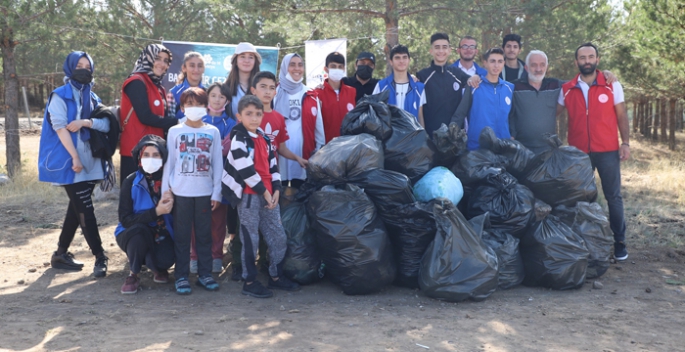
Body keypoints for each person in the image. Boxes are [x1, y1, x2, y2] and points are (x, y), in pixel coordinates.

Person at [38, 51, 110, 277]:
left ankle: (60, 254)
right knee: (85, 210)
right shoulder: (59, 95)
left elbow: (106, 125)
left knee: (77, 207)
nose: (83, 69)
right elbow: (60, 127)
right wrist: (75, 158)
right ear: (69, 67)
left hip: (92, 161)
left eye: (87, 66)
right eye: (78, 65)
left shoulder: (94, 97)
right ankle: (100, 257)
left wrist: (85, 122)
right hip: (70, 162)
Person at [557, 42, 630, 261]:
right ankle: (585, 242)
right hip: (578, 153)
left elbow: (622, 115)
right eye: (582, 58)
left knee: (613, 197)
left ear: (597, 60)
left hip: (607, 150)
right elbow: (552, 112)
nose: (587, 61)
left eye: (591, 57)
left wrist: (625, 142)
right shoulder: (567, 88)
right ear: (576, 62)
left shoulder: (611, 85)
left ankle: (619, 243)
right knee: (580, 199)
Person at [222, 95, 301, 298]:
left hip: (268, 196)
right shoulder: (238, 138)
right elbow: (246, 170)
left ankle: (276, 276)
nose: (255, 118)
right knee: (250, 239)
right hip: (250, 197)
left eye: (258, 114)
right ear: (239, 116)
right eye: (249, 114)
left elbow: (273, 166)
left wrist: (276, 190)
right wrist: (265, 193)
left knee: (278, 236)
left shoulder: (265, 139)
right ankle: (249, 281)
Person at [162, 87, 223, 295]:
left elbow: (218, 163)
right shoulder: (175, 131)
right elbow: (169, 163)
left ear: (205, 107)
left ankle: (205, 275)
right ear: (182, 108)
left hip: (205, 193)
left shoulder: (212, 132)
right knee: (182, 236)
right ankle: (181, 276)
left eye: (198, 104)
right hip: (181, 193)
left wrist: (217, 192)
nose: (194, 108)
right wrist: (166, 191)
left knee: (205, 235)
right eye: (189, 104)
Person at [115, 135, 176, 294]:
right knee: (139, 232)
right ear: (139, 157)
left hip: (161, 233)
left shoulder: (172, 181)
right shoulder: (131, 181)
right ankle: (133, 274)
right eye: (146, 155)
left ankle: (155, 266)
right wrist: (156, 212)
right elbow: (125, 219)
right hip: (132, 232)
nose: (151, 159)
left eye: (156, 155)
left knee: (165, 259)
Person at [188, 82, 236, 274]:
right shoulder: (196, 119)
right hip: (197, 179)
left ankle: (216, 255)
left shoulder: (231, 124)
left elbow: (226, 151)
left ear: (227, 101)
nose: (217, 99)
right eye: (213, 95)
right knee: (195, 220)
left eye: (221, 97)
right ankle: (194, 256)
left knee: (218, 221)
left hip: (221, 179)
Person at [120, 44, 177, 183]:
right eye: (158, 58)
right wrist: (177, 122)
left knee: (152, 199)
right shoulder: (136, 82)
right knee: (133, 197)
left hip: (155, 150)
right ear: (148, 58)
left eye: (166, 61)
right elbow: (145, 116)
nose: (162, 64)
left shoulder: (159, 87)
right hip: (135, 151)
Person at [273, 53, 325, 188]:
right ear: (284, 67)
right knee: (280, 197)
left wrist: (319, 152)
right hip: (279, 156)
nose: (297, 68)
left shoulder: (311, 94)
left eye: (300, 65)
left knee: (300, 198)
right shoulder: (274, 92)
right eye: (292, 64)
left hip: (304, 155)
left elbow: (318, 127)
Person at [451, 47, 514, 150]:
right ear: (485, 63)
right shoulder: (474, 86)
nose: (496, 65)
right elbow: (460, 113)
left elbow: (512, 116)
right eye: (492, 61)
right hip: (477, 147)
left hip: (503, 147)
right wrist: (451, 134)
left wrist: (512, 135)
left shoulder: (509, 88)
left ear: (504, 63)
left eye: (500, 61)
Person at [509, 50, 563, 154]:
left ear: (546, 67)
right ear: (526, 68)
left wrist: (603, 75)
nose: (538, 69)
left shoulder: (556, 85)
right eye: (534, 65)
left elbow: (580, 82)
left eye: (542, 65)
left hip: (549, 150)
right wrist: (477, 78)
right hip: (521, 150)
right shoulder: (514, 87)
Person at [417, 33, 472, 137]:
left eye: (444, 47)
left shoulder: (458, 74)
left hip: (455, 138)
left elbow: (473, 81)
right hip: (431, 137)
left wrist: (475, 77)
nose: (441, 51)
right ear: (431, 51)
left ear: (449, 50)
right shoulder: (422, 76)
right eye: (437, 47)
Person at [373, 44, 426, 125]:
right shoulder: (381, 86)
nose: (401, 61)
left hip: (412, 136)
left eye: (404, 57)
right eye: (397, 58)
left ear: (409, 60)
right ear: (391, 62)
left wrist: (423, 137)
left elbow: (420, 116)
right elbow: (374, 114)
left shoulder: (419, 88)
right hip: (388, 136)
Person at [315, 52, 356, 143]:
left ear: (344, 69)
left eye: (340, 67)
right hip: (326, 148)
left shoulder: (352, 92)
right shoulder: (317, 94)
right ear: (326, 69)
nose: (337, 69)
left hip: (349, 147)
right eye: (333, 66)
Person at [224, 42, 261, 117]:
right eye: (242, 56)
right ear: (236, 61)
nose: (247, 61)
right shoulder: (226, 88)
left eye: (251, 57)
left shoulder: (261, 87)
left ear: (255, 62)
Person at [169, 51, 206, 119]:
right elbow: (170, 121)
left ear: (203, 69)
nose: (196, 69)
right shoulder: (173, 93)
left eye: (200, 66)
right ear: (184, 68)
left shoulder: (208, 93)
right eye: (192, 65)